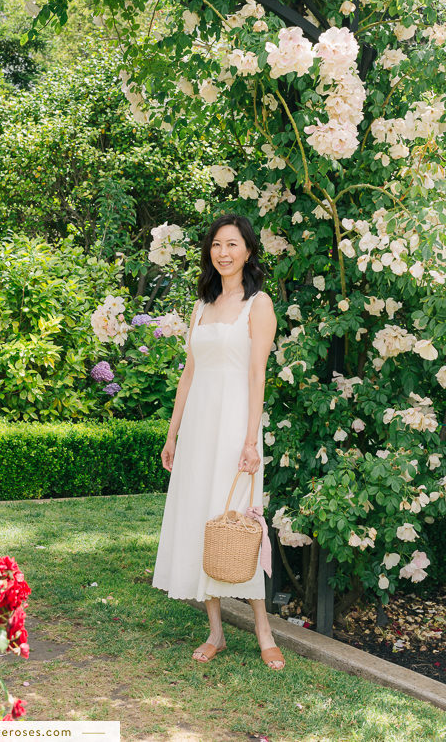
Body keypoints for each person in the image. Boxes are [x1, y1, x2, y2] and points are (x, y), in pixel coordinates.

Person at [152, 213, 284, 669]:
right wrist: (172, 435)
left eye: (232, 244)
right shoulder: (202, 306)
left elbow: (257, 375)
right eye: (216, 245)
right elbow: (188, 374)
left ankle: (265, 632)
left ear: (248, 250)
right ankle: (215, 632)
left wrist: (251, 442)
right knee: (199, 521)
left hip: (235, 430)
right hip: (198, 429)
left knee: (237, 527)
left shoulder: (259, 304)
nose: (223, 252)